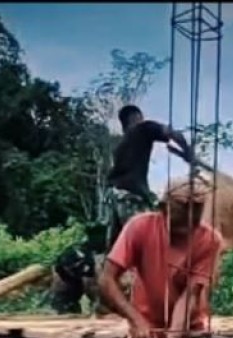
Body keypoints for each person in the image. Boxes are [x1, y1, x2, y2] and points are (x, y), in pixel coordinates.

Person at [49, 105, 194, 315]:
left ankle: (106, 299)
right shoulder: (143, 128)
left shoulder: (120, 145)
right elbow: (172, 133)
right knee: (151, 244)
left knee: (114, 252)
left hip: (111, 197)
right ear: (136, 117)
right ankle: (157, 300)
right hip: (130, 197)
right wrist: (188, 151)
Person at [99, 174, 222, 338]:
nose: (186, 229)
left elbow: (190, 296)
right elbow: (107, 279)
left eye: (193, 223)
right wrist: (137, 321)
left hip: (189, 335)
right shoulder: (139, 228)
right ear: (164, 208)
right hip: (143, 333)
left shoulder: (210, 240)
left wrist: (173, 337)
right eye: (180, 221)